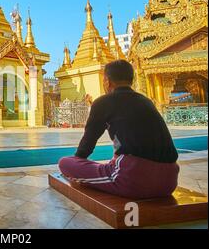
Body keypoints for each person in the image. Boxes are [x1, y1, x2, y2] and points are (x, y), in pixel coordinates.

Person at [58, 60, 179, 199]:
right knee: (109, 162)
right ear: (132, 80)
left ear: (107, 81)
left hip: (133, 178)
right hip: (169, 181)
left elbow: (87, 143)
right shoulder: (146, 101)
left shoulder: (103, 102)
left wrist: (77, 164)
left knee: (65, 162)